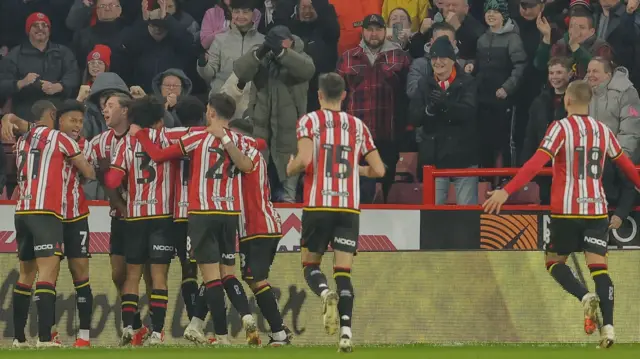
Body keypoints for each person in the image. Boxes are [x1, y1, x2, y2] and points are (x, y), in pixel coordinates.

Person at [483, 80, 640, 349]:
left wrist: (506, 191)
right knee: (599, 267)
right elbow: (627, 167)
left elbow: (535, 163)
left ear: (567, 100)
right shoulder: (603, 131)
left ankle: (584, 296)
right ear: (589, 101)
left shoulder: (560, 128)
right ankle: (610, 328)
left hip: (566, 211)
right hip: (596, 210)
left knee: (554, 262)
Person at [129, 93, 261, 345]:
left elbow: (157, 155)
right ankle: (242, 318)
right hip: (229, 213)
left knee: (211, 278)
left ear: (210, 112)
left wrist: (140, 135)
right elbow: (247, 166)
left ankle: (221, 336)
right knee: (228, 274)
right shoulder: (239, 140)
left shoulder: (195, 136)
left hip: (201, 212)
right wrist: (225, 139)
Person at [286, 72, 386, 353]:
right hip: (348, 207)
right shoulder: (358, 126)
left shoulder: (310, 121)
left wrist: (290, 166)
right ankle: (345, 334)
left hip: (318, 205)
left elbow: (304, 159)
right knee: (343, 272)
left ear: (319, 95)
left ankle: (324, 292)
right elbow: (379, 170)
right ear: (344, 95)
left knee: (310, 266)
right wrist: (356, 169)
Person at [3, 100, 95, 347]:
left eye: (80, 121)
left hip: (36, 211)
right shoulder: (59, 138)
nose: (77, 125)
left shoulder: (25, 139)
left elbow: (20, 124)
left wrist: (8, 118)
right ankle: (46, 337)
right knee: (47, 273)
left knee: (30, 274)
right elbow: (89, 172)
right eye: (72, 120)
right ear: (56, 117)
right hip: (48, 212)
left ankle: (20, 338)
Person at [103, 96, 177, 345]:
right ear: (159, 119)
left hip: (135, 216)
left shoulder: (127, 144)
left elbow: (112, 181)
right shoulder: (169, 139)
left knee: (132, 275)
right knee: (158, 276)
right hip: (162, 217)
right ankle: (156, 332)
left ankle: (128, 328)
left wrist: (122, 196)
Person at [88, 93, 152, 346]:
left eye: (111, 106)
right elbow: (84, 165)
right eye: (104, 107)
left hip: (144, 215)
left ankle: (150, 328)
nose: (105, 110)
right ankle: (136, 325)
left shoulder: (140, 137)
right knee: (118, 273)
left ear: (125, 111)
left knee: (146, 272)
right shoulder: (98, 142)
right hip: (119, 217)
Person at [409, 36, 478, 204]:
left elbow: (469, 112)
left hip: (464, 157)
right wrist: (429, 110)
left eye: (443, 58)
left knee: (466, 215)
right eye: (434, 58)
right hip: (434, 159)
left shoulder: (468, 82)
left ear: (452, 61)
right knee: (433, 214)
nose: (438, 62)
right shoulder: (424, 84)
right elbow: (414, 117)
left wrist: (445, 105)